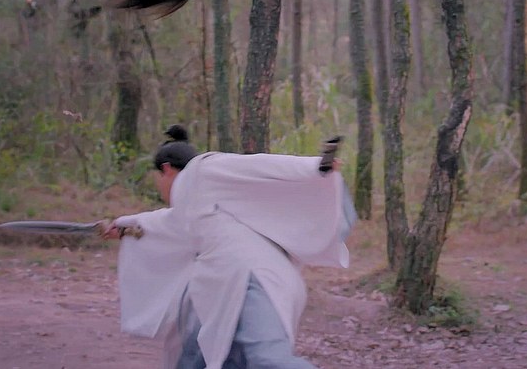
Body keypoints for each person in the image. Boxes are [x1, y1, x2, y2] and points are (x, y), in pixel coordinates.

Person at [102, 125, 356, 369]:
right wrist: (123, 227)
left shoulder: (202, 170)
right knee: (199, 358)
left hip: (254, 280)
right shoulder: (196, 204)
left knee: (267, 360)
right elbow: (162, 224)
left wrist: (315, 167)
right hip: (223, 288)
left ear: (166, 169)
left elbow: (255, 167)